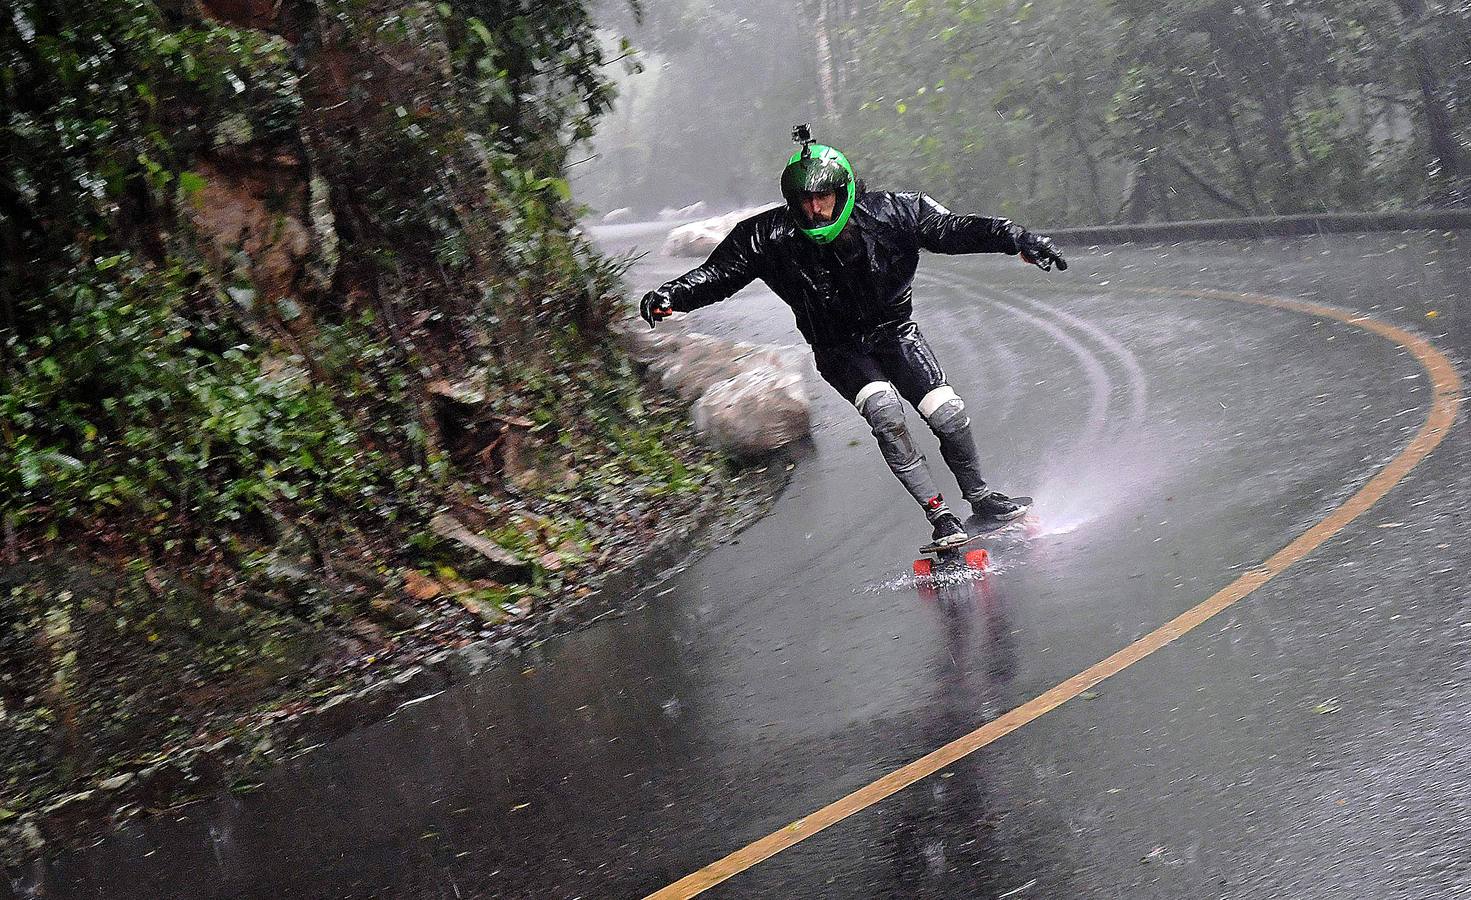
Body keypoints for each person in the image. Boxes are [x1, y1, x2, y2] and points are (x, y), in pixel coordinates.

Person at [639, 127, 1068, 548]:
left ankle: (980, 497)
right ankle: (940, 516)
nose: (815, 211)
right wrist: (672, 295)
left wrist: (1016, 238)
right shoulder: (767, 235)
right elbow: (718, 274)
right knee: (884, 412)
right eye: (805, 201)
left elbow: (955, 229)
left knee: (947, 412)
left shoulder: (895, 212)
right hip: (837, 347)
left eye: (823, 198)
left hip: (896, 333)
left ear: (844, 193)